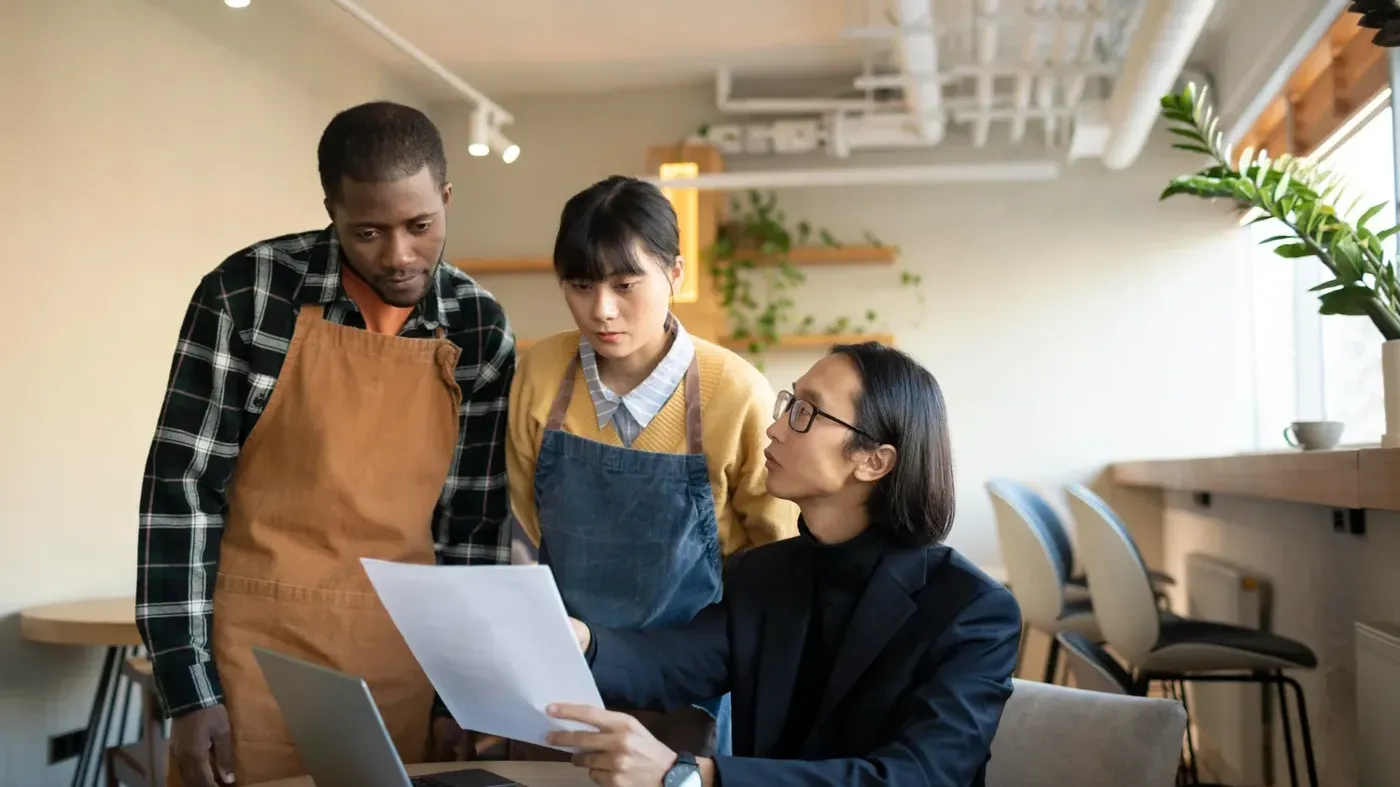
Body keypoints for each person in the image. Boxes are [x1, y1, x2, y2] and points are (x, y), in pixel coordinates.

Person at [135, 102, 514, 787]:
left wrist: (464, 691)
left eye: (420, 226)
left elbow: (472, 529)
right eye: (368, 231)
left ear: (447, 198)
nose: (399, 255)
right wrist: (189, 693)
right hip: (255, 655)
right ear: (331, 209)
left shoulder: (478, 327)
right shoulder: (247, 295)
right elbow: (181, 495)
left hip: (401, 659)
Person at [545, 343, 1023, 787]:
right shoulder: (764, 574)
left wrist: (690, 776)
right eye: (789, 402)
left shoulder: (972, 610)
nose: (774, 428)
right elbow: (673, 662)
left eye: (806, 413)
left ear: (874, 461)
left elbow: (918, 776)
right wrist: (577, 640)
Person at [504, 175, 800, 758]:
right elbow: (522, 529)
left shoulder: (734, 391)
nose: (602, 310)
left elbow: (777, 557)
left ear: (676, 274)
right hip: (563, 678)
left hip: (693, 687)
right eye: (581, 285)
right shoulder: (541, 373)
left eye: (625, 284)